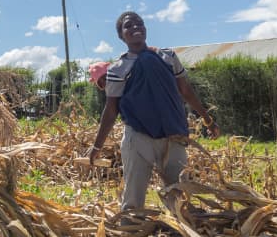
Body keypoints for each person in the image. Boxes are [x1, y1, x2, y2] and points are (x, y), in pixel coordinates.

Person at [88, 11, 219, 212]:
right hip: (138, 137)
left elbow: (186, 91)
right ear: (121, 36)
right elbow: (111, 109)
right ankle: (131, 228)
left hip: (172, 134)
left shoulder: (168, 56)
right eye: (128, 26)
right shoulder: (117, 69)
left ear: (146, 28)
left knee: (179, 194)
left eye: (139, 23)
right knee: (133, 197)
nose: (135, 28)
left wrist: (208, 120)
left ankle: (181, 228)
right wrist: (97, 146)